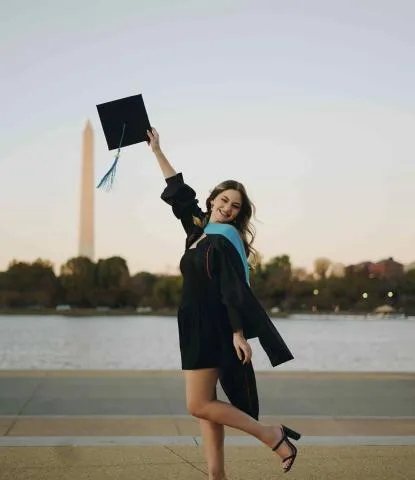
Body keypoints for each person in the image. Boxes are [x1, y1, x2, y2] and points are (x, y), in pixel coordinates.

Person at [147, 128, 300, 478]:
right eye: (224, 200)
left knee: (197, 404)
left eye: (236, 206)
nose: (229, 208)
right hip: (192, 321)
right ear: (213, 198)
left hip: (214, 323)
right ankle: (217, 475)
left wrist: (237, 332)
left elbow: (232, 289)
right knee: (205, 407)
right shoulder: (198, 230)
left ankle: (272, 436)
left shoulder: (226, 240)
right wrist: (157, 151)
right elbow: (179, 194)